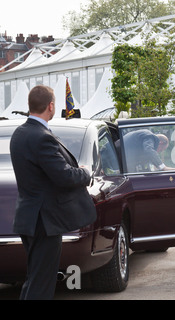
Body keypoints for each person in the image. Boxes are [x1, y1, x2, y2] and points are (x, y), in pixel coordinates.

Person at [9, 85, 97, 300]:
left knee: (34, 279)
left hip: (30, 217)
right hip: (44, 221)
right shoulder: (41, 137)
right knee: (41, 284)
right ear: (50, 106)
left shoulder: (19, 133)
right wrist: (84, 173)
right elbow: (64, 176)